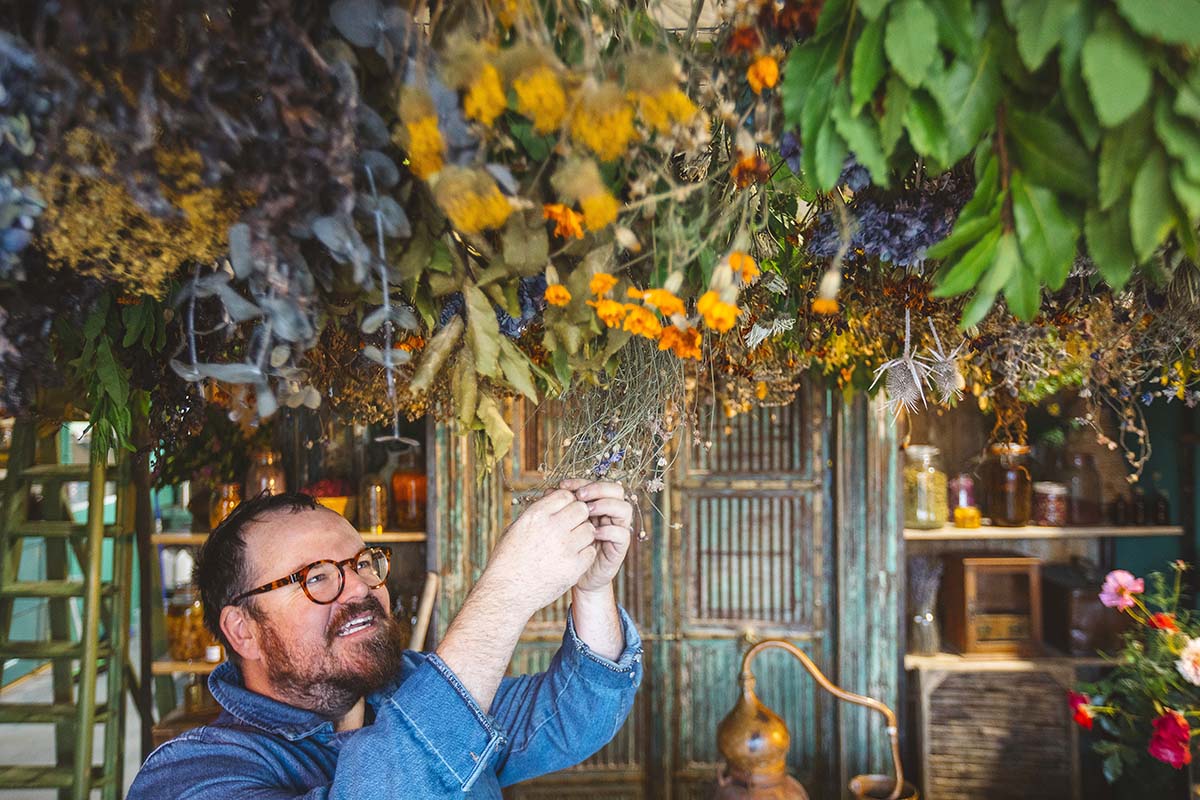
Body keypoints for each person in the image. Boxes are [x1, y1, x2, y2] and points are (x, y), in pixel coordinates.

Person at [129, 479, 642, 799]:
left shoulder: (408, 685)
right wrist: (503, 595)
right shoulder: (190, 775)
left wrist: (592, 589)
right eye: (316, 577)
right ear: (243, 630)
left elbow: (571, 718)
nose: (359, 588)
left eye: (362, 564)